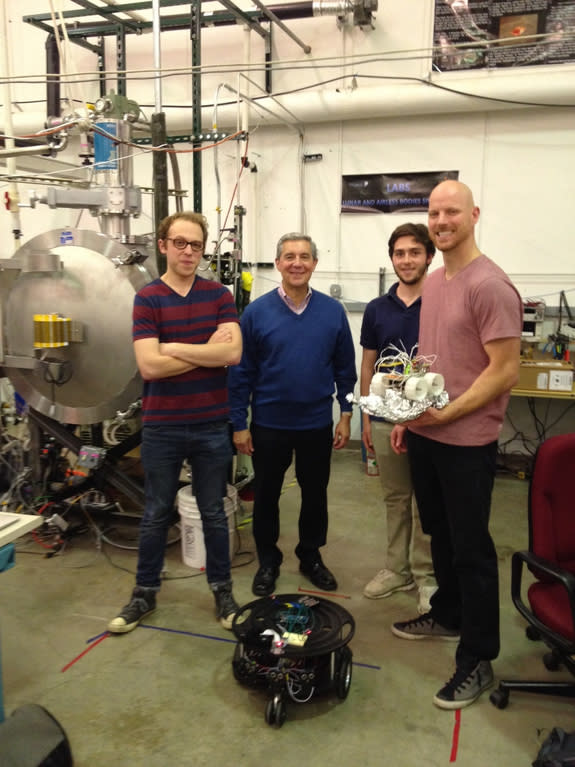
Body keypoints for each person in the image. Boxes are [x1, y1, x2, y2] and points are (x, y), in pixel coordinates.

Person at [390, 180, 522, 710]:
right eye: (434, 212)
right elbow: (430, 358)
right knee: (438, 532)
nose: (442, 220)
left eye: (451, 212)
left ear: (473, 215)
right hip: (425, 432)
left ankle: (478, 655)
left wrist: (450, 411)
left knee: (471, 548)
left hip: (466, 439)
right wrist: (409, 414)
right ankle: (447, 614)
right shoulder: (437, 280)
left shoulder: (490, 285)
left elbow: (505, 370)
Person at [108, 211, 243, 634]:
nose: (188, 251)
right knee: (154, 513)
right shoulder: (148, 298)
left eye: (196, 245)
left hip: (210, 424)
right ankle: (143, 594)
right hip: (163, 426)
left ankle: (222, 590)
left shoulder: (220, 295)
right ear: (163, 245)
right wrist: (204, 349)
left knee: (214, 513)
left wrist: (174, 347)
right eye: (180, 243)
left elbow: (232, 355)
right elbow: (148, 367)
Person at [229, 232, 357, 597]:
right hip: (269, 425)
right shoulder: (256, 313)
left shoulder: (332, 312)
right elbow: (240, 373)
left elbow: (344, 369)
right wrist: (240, 424)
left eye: (304, 256)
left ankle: (311, 555)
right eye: (289, 256)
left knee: (315, 494)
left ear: (315, 263)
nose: (297, 263)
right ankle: (268, 561)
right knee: (267, 495)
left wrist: (346, 412)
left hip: (316, 424)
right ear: (278, 263)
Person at [360, 223, 437, 614]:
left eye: (414, 252)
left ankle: (427, 578)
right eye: (399, 253)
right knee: (395, 498)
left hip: (430, 419)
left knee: (426, 501)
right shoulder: (377, 309)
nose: (406, 260)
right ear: (392, 258)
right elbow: (368, 362)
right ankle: (397, 569)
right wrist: (366, 415)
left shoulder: (442, 302)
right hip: (386, 415)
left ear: (428, 256)